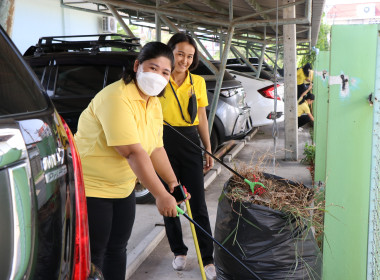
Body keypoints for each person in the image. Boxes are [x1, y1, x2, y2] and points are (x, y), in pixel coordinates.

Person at [74, 42, 184, 280]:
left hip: (123, 188)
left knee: (118, 249)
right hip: (92, 188)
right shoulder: (116, 97)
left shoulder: (152, 102)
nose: (158, 76)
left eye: (165, 72)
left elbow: (155, 147)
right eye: (153, 68)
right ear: (137, 66)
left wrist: (173, 183)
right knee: (95, 255)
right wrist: (159, 194)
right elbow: (133, 152)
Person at [159, 32, 216, 280]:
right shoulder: (158, 79)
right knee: (171, 201)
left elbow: (201, 116)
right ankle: (178, 252)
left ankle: (207, 258)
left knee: (198, 204)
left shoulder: (198, 82)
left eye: (189, 56)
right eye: (180, 53)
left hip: (190, 142)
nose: (184, 60)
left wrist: (208, 148)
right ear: (170, 52)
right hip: (161, 144)